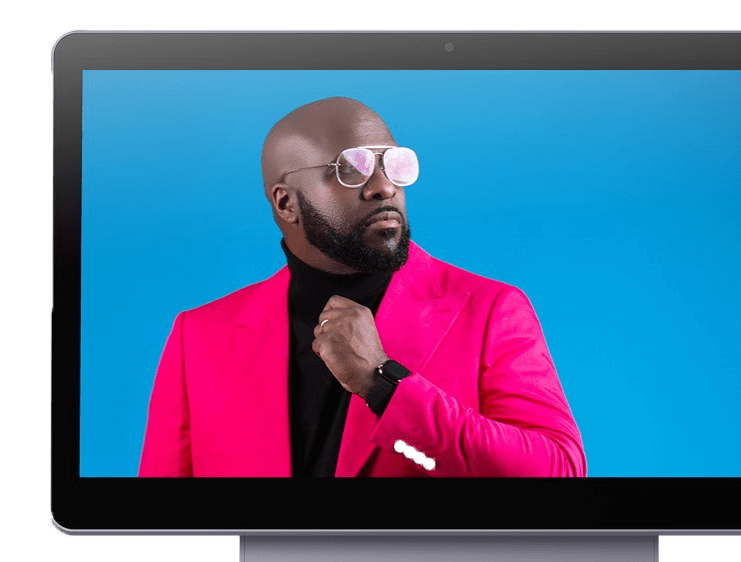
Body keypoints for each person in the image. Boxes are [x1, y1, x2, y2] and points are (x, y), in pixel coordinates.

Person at [139, 97, 587, 477]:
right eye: (349, 169)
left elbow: (560, 468)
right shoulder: (199, 336)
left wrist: (385, 387)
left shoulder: (489, 310)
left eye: (393, 164)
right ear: (286, 203)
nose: (383, 187)